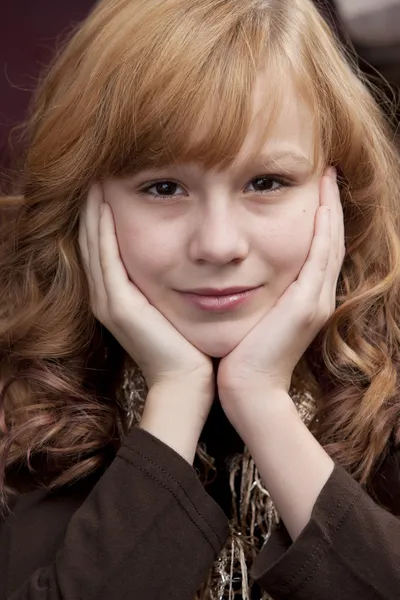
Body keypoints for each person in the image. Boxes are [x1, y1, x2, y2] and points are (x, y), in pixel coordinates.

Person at [0, 0, 400, 599]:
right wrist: (175, 399)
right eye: (164, 187)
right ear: (81, 201)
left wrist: (262, 403)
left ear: (341, 190)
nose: (218, 244)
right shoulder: (17, 420)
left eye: (266, 182)